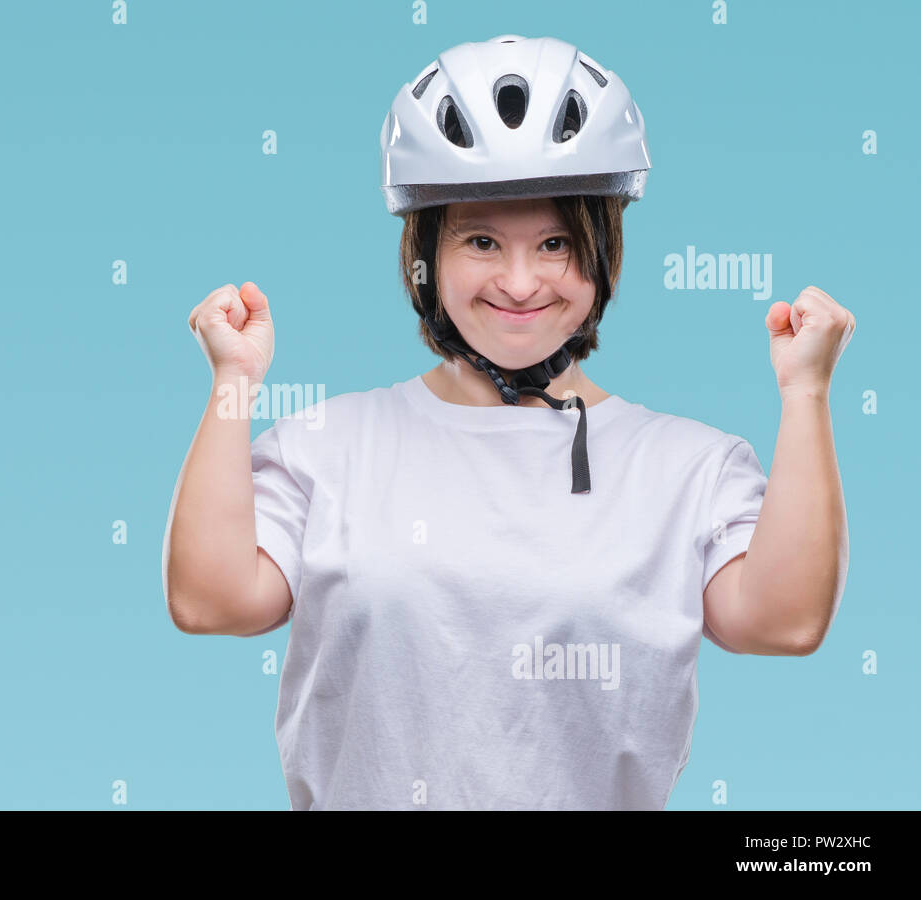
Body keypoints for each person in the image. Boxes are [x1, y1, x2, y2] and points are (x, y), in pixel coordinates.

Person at [162, 35, 852, 810]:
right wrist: (233, 383)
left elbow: (784, 621)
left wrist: (806, 396)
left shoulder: (688, 465)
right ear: (424, 253)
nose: (520, 283)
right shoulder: (330, 444)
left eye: (555, 243)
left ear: (604, 251)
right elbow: (211, 602)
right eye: (482, 241)